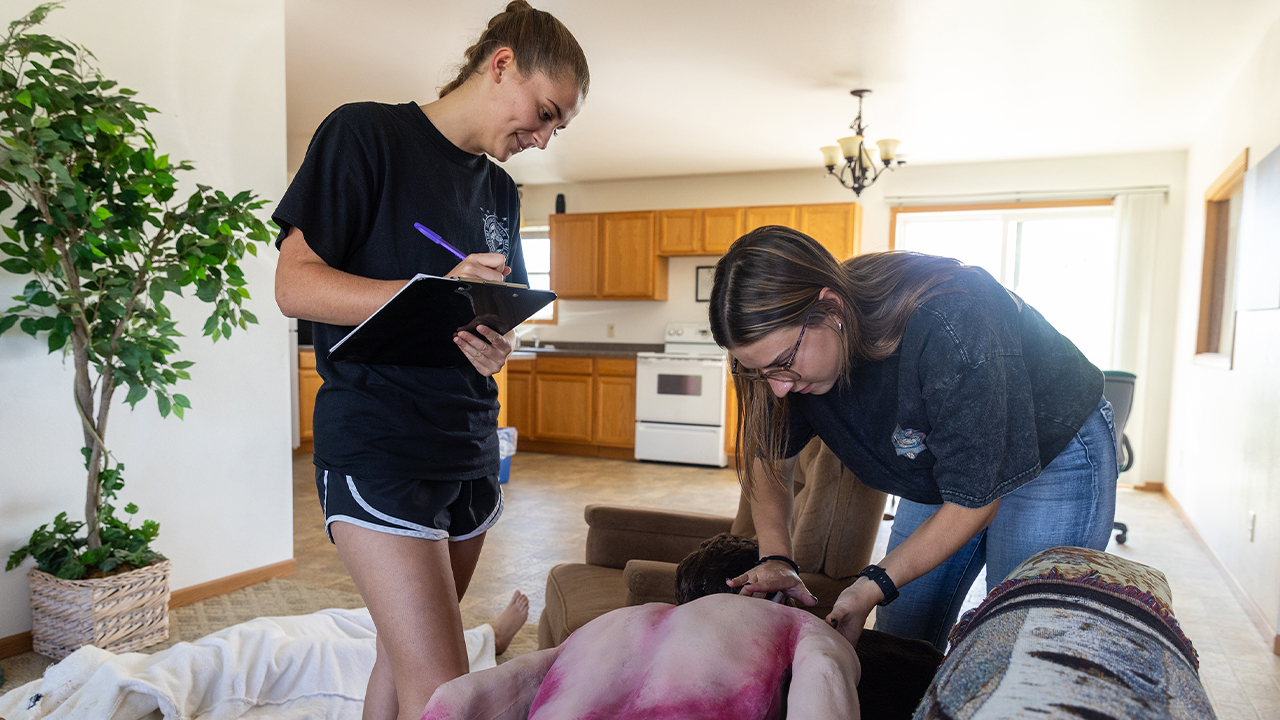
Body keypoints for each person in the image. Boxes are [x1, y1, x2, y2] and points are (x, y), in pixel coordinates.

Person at [271, 3, 589, 719]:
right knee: (445, 693)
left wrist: (492, 345)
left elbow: (488, 312)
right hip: (382, 442)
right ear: (501, 63)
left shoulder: (500, 192)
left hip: (470, 449)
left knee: (401, 655)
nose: (541, 138)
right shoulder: (364, 134)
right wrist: (433, 290)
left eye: (556, 128)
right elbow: (294, 285)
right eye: (543, 114)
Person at [709, 226, 1118, 652]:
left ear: (829, 309)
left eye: (784, 363)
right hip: (947, 456)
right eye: (759, 372)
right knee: (902, 631)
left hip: (1052, 443)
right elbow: (771, 461)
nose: (777, 387)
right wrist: (777, 559)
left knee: (1018, 638)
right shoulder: (779, 364)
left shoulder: (950, 322)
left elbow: (974, 500)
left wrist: (873, 582)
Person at [420, 534, 863, 720]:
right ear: (767, 590)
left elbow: (453, 697)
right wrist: (842, 647)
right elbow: (823, 674)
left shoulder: (607, 625)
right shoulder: (787, 619)